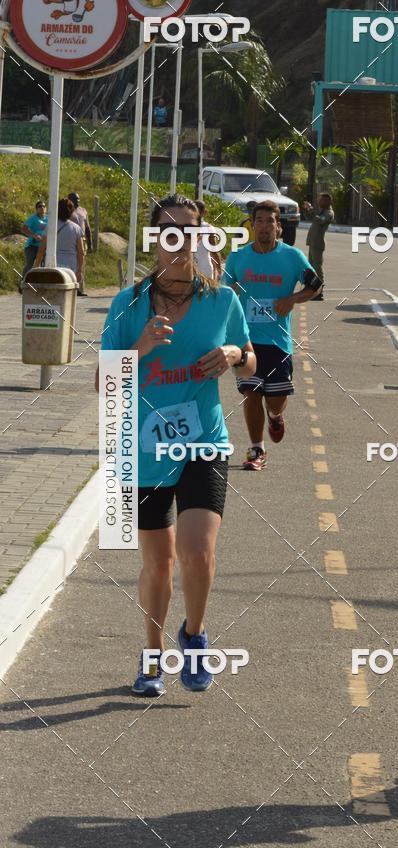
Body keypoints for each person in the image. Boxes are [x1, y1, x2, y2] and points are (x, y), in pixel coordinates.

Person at [96, 194, 255, 697]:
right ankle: (151, 655)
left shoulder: (222, 300)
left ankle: (194, 634)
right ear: (154, 238)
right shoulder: (128, 304)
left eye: (191, 229)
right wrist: (137, 347)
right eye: (170, 229)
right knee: (157, 563)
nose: (181, 239)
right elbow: (102, 385)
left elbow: (252, 361)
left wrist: (233, 353)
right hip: (142, 448)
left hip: (204, 442)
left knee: (197, 552)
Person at [222, 199, 322, 471]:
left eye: (270, 222)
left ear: (279, 227)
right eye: (260, 221)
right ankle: (257, 449)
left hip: (278, 341)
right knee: (251, 392)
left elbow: (315, 284)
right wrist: (230, 294)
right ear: (252, 225)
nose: (265, 226)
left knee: (274, 399)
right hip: (246, 340)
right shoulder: (238, 258)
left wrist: (293, 298)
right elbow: (222, 290)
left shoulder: (292, 257)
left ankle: (275, 416)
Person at [35, 198, 84, 286]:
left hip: (53, 265)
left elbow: (41, 250)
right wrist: (80, 270)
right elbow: (81, 252)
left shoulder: (50, 227)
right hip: (71, 267)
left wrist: (35, 267)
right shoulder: (76, 228)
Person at [302, 193, 334, 299]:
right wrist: (307, 210)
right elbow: (310, 218)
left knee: (317, 267)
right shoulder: (321, 211)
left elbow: (319, 220)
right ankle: (313, 289)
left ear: (328, 201)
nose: (319, 202)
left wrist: (311, 209)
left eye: (321, 200)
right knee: (311, 267)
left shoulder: (329, 213)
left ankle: (319, 292)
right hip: (313, 242)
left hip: (318, 243)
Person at [68, 192, 92, 297]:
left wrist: (90, 243)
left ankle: (80, 288)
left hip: (82, 240)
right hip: (71, 239)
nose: (76, 201)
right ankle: (72, 287)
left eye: (78, 199)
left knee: (81, 263)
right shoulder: (67, 211)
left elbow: (87, 228)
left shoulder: (83, 211)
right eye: (74, 199)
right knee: (72, 262)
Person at [21, 200, 47, 289]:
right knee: (30, 264)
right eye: (40, 206)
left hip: (43, 246)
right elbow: (24, 228)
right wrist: (33, 235)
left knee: (44, 265)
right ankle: (23, 283)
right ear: (36, 209)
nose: (42, 208)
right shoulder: (33, 218)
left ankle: (40, 284)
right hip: (32, 246)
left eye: (44, 206)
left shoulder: (48, 219)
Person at [193, 199, 222, 280]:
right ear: (205, 212)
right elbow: (214, 252)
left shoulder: (183, 227)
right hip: (205, 269)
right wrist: (218, 270)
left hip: (191, 270)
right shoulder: (208, 227)